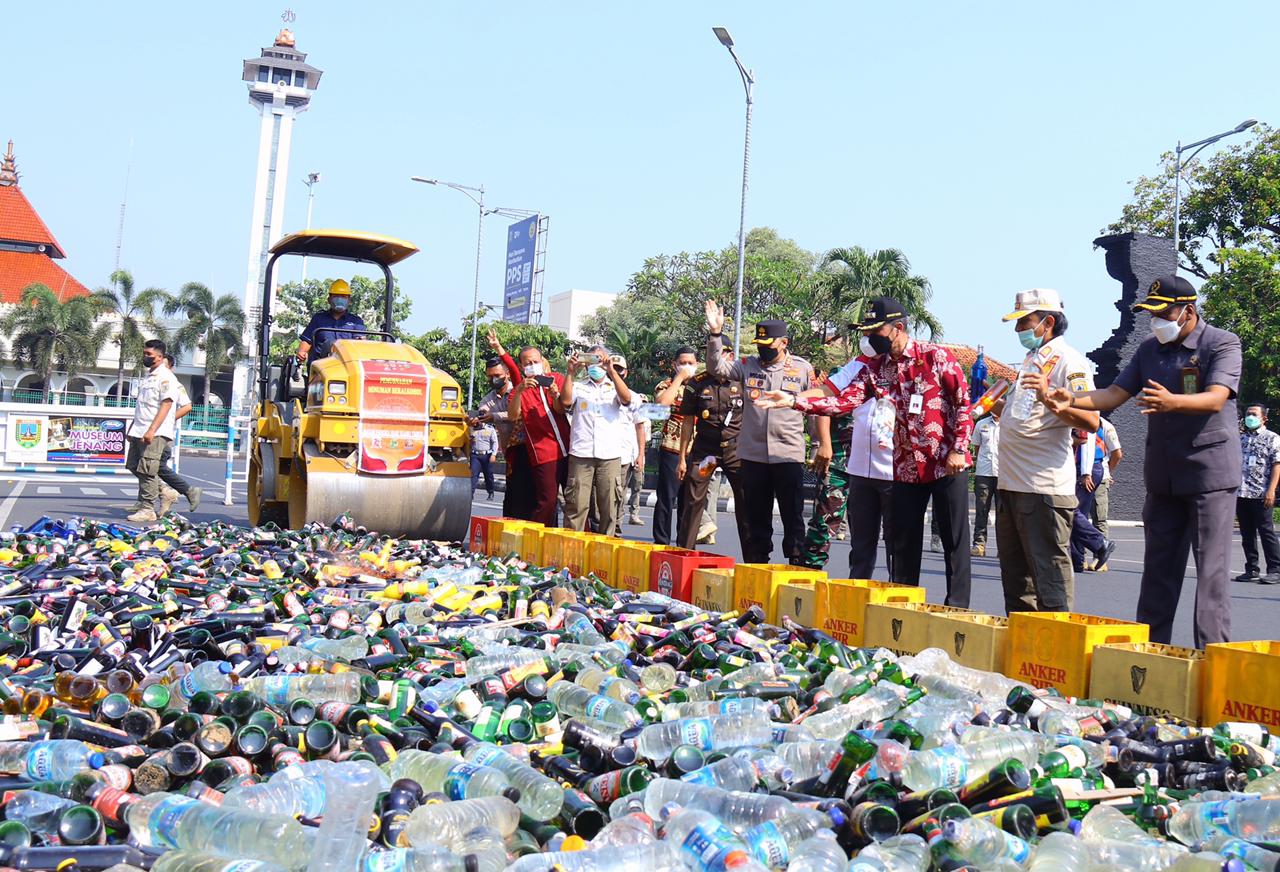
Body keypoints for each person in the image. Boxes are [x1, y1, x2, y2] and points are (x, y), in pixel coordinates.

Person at [1047, 274, 1242, 646]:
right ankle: (1151, 659)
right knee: (1157, 573)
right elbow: (1113, 394)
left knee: (1211, 577)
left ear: (1188, 310)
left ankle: (1214, 662)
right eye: (1150, 314)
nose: (1155, 321)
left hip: (1210, 475)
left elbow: (1217, 398)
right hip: (1164, 476)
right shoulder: (1149, 349)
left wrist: (1174, 402)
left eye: (1162, 312)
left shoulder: (1222, 343)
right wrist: (1069, 398)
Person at [757, 297, 972, 606]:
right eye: (867, 331)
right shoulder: (876, 368)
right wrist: (794, 401)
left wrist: (959, 449)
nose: (871, 337)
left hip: (945, 462)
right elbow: (843, 401)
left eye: (876, 330)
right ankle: (905, 606)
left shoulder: (935, 357)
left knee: (954, 540)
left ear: (898, 328)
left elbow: (962, 402)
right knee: (903, 543)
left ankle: (957, 609)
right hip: (906, 467)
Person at [995, 288, 1105, 614]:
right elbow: (1025, 417)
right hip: (1012, 484)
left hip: (1042, 487)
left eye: (1024, 322)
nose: (1018, 331)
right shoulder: (1032, 359)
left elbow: (1090, 419)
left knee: (1050, 579)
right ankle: (1023, 654)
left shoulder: (1070, 361)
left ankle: (1055, 652)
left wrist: (1046, 397)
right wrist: (994, 405)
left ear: (1048, 322)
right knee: (1017, 583)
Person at [705, 303, 815, 564]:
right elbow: (716, 368)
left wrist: (819, 443)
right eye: (759, 343)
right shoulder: (747, 365)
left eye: (768, 343)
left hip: (788, 454)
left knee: (793, 515)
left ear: (784, 342)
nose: (762, 348)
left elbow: (815, 408)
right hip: (753, 454)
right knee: (756, 517)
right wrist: (716, 334)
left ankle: (797, 564)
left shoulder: (801, 369)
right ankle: (757, 564)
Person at [800, 354, 894, 578]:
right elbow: (825, 407)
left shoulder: (893, 377)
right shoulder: (844, 374)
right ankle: (808, 575)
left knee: (866, 531)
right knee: (824, 522)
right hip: (840, 461)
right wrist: (824, 444)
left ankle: (861, 581)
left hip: (873, 465)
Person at [658, 347, 750, 553]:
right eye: (710, 355)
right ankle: (684, 552)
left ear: (730, 357)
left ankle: (754, 558)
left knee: (747, 503)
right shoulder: (697, 384)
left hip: (736, 452)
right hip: (707, 454)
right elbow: (688, 423)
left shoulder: (742, 382)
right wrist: (682, 458)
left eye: (718, 354)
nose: (713, 359)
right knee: (693, 499)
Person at [490, 330, 571, 527]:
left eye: (535, 361)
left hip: (570, 448)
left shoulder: (556, 379)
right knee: (547, 500)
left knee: (575, 501)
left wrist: (555, 395)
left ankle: (576, 541)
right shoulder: (521, 389)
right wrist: (519, 390)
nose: (532, 366)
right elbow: (512, 415)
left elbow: (563, 406)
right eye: (527, 363)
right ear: (522, 367)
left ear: (543, 361)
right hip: (542, 452)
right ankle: (534, 537)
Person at [560, 347, 635, 533]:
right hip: (581, 454)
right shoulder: (578, 386)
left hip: (609, 456)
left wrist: (611, 370)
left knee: (609, 508)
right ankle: (572, 550)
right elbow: (566, 402)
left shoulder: (614, 387)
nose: (596, 365)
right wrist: (570, 372)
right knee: (576, 506)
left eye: (600, 359)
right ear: (586, 365)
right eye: (592, 360)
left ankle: (606, 549)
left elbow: (626, 399)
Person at [125, 340, 181, 524]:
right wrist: (134, 428)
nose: (145, 357)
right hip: (140, 429)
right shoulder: (149, 376)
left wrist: (152, 430)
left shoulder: (166, 377)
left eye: (149, 354)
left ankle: (147, 509)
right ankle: (164, 491)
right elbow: (142, 407)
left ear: (160, 356)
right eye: (145, 353)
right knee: (134, 466)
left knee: (148, 470)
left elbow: (166, 405)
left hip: (154, 431)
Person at [474, 355, 531, 520]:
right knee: (512, 495)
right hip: (510, 452)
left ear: (507, 374)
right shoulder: (489, 398)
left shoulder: (519, 390)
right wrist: (477, 418)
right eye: (490, 376)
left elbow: (517, 413)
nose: (493, 379)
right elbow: (484, 411)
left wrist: (495, 416)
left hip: (527, 449)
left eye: (497, 376)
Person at [652, 348, 698, 545]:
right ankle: (661, 542)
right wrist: (679, 378)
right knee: (666, 498)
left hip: (697, 451)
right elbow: (662, 404)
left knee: (691, 500)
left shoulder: (702, 385)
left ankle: (685, 543)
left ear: (697, 365)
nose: (687, 366)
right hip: (671, 448)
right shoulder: (666, 385)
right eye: (683, 362)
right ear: (675, 364)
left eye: (691, 363)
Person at [598, 355, 646, 536]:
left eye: (619, 369)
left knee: (616, 496)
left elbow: (639, 426)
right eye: (611, 367)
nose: (614, 371)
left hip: (623, 455)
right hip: (600, 453)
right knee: (599, 498)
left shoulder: (632, 397)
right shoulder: (598, 393)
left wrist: (641, 454)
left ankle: (615, 532)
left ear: (626, 373)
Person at [1235, 403, 1280, 584]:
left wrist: (1271, 490)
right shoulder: (1241, 439)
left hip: (1261, 493)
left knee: (1266, 532)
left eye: (1253, 414)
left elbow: (1277, 465)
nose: (1249, 417)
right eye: (1247, 414)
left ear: (1264, 418)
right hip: (1242, 492)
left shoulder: (1273, 438)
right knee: (1247, 534)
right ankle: (1251, 568)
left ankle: (1275, 570)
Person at [155, 354, 201, 517]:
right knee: (143, 465)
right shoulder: (153, 379)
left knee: (154, 466)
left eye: (164, 366)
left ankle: (178, 491)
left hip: (162, 433)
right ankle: (161, 495)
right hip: (150, 432)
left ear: (170, 368)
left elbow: (187, 406)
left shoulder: (174, 383)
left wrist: (167, 419)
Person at [1069, 428, 1117, 573]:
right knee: (1071, 512)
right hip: (1080, 468)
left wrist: (1086, 472)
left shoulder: (1087, 413)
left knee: (1069, 511)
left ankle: (1098, 544)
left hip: (1085, 469)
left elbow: (1087, 440)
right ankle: (1077, 560)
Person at [295, 279, 366, 365]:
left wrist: (361, 342)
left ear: (349, 301)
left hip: (346, 367)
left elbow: (360, 345)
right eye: (336, 296)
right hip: (320, 367)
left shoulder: (356, 322)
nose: (340, 299)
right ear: (329, 299)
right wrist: (302, 352)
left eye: (343, 297)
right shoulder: (318, 319)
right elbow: (307, 341)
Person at [1089, 416, 1123, 547]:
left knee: (1099, 518)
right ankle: (1080, 557)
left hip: (1100, 477)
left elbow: (1117, 453)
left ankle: (1100, 557)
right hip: (1079, 476)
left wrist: (1108, 471)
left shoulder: (1106, 426)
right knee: (1079, 518)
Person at [969, 407, 999, 557]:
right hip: (984, 472)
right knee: (981, 510)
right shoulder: (981, 424)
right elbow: (977, 447)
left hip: (1004, 473)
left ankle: (1004, 548)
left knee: (1004, 513)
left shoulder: (1009, 424)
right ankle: (979, 544)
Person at [469, 419, 498, 500]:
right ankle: (470, 493)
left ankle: (491, 492)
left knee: (488, 475)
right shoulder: (471, 429)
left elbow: (495, 442)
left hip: (487, 455)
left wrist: (494, 454)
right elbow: (468, 441)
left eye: (478, 422)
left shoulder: (490, 429)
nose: (476, 424)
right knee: (473, 475)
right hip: (475, 455)